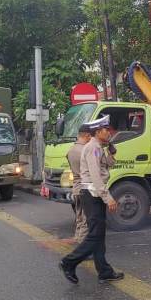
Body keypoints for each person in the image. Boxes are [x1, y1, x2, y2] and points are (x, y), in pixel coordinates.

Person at [59, 115, 124, 284]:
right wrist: (108, 198)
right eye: (106, 130)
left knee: (99, 234)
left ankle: (104, 271)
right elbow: (95, 176)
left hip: (94, 193)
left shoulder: (99, 147)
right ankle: (68, 262)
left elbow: (108, 165)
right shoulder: (93, 148)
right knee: (94, 235)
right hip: (92, 193)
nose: (109, 133)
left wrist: (111, 150)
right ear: (98, 131)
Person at [66, 124, 93, 243]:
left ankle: (78, 239)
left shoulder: (71, 150)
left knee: (79, 217)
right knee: (86, 220)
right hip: (85, 188)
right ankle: (83, 247)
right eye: (91, 136)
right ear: (87, 135)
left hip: (76, 187)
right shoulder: (85, 151)